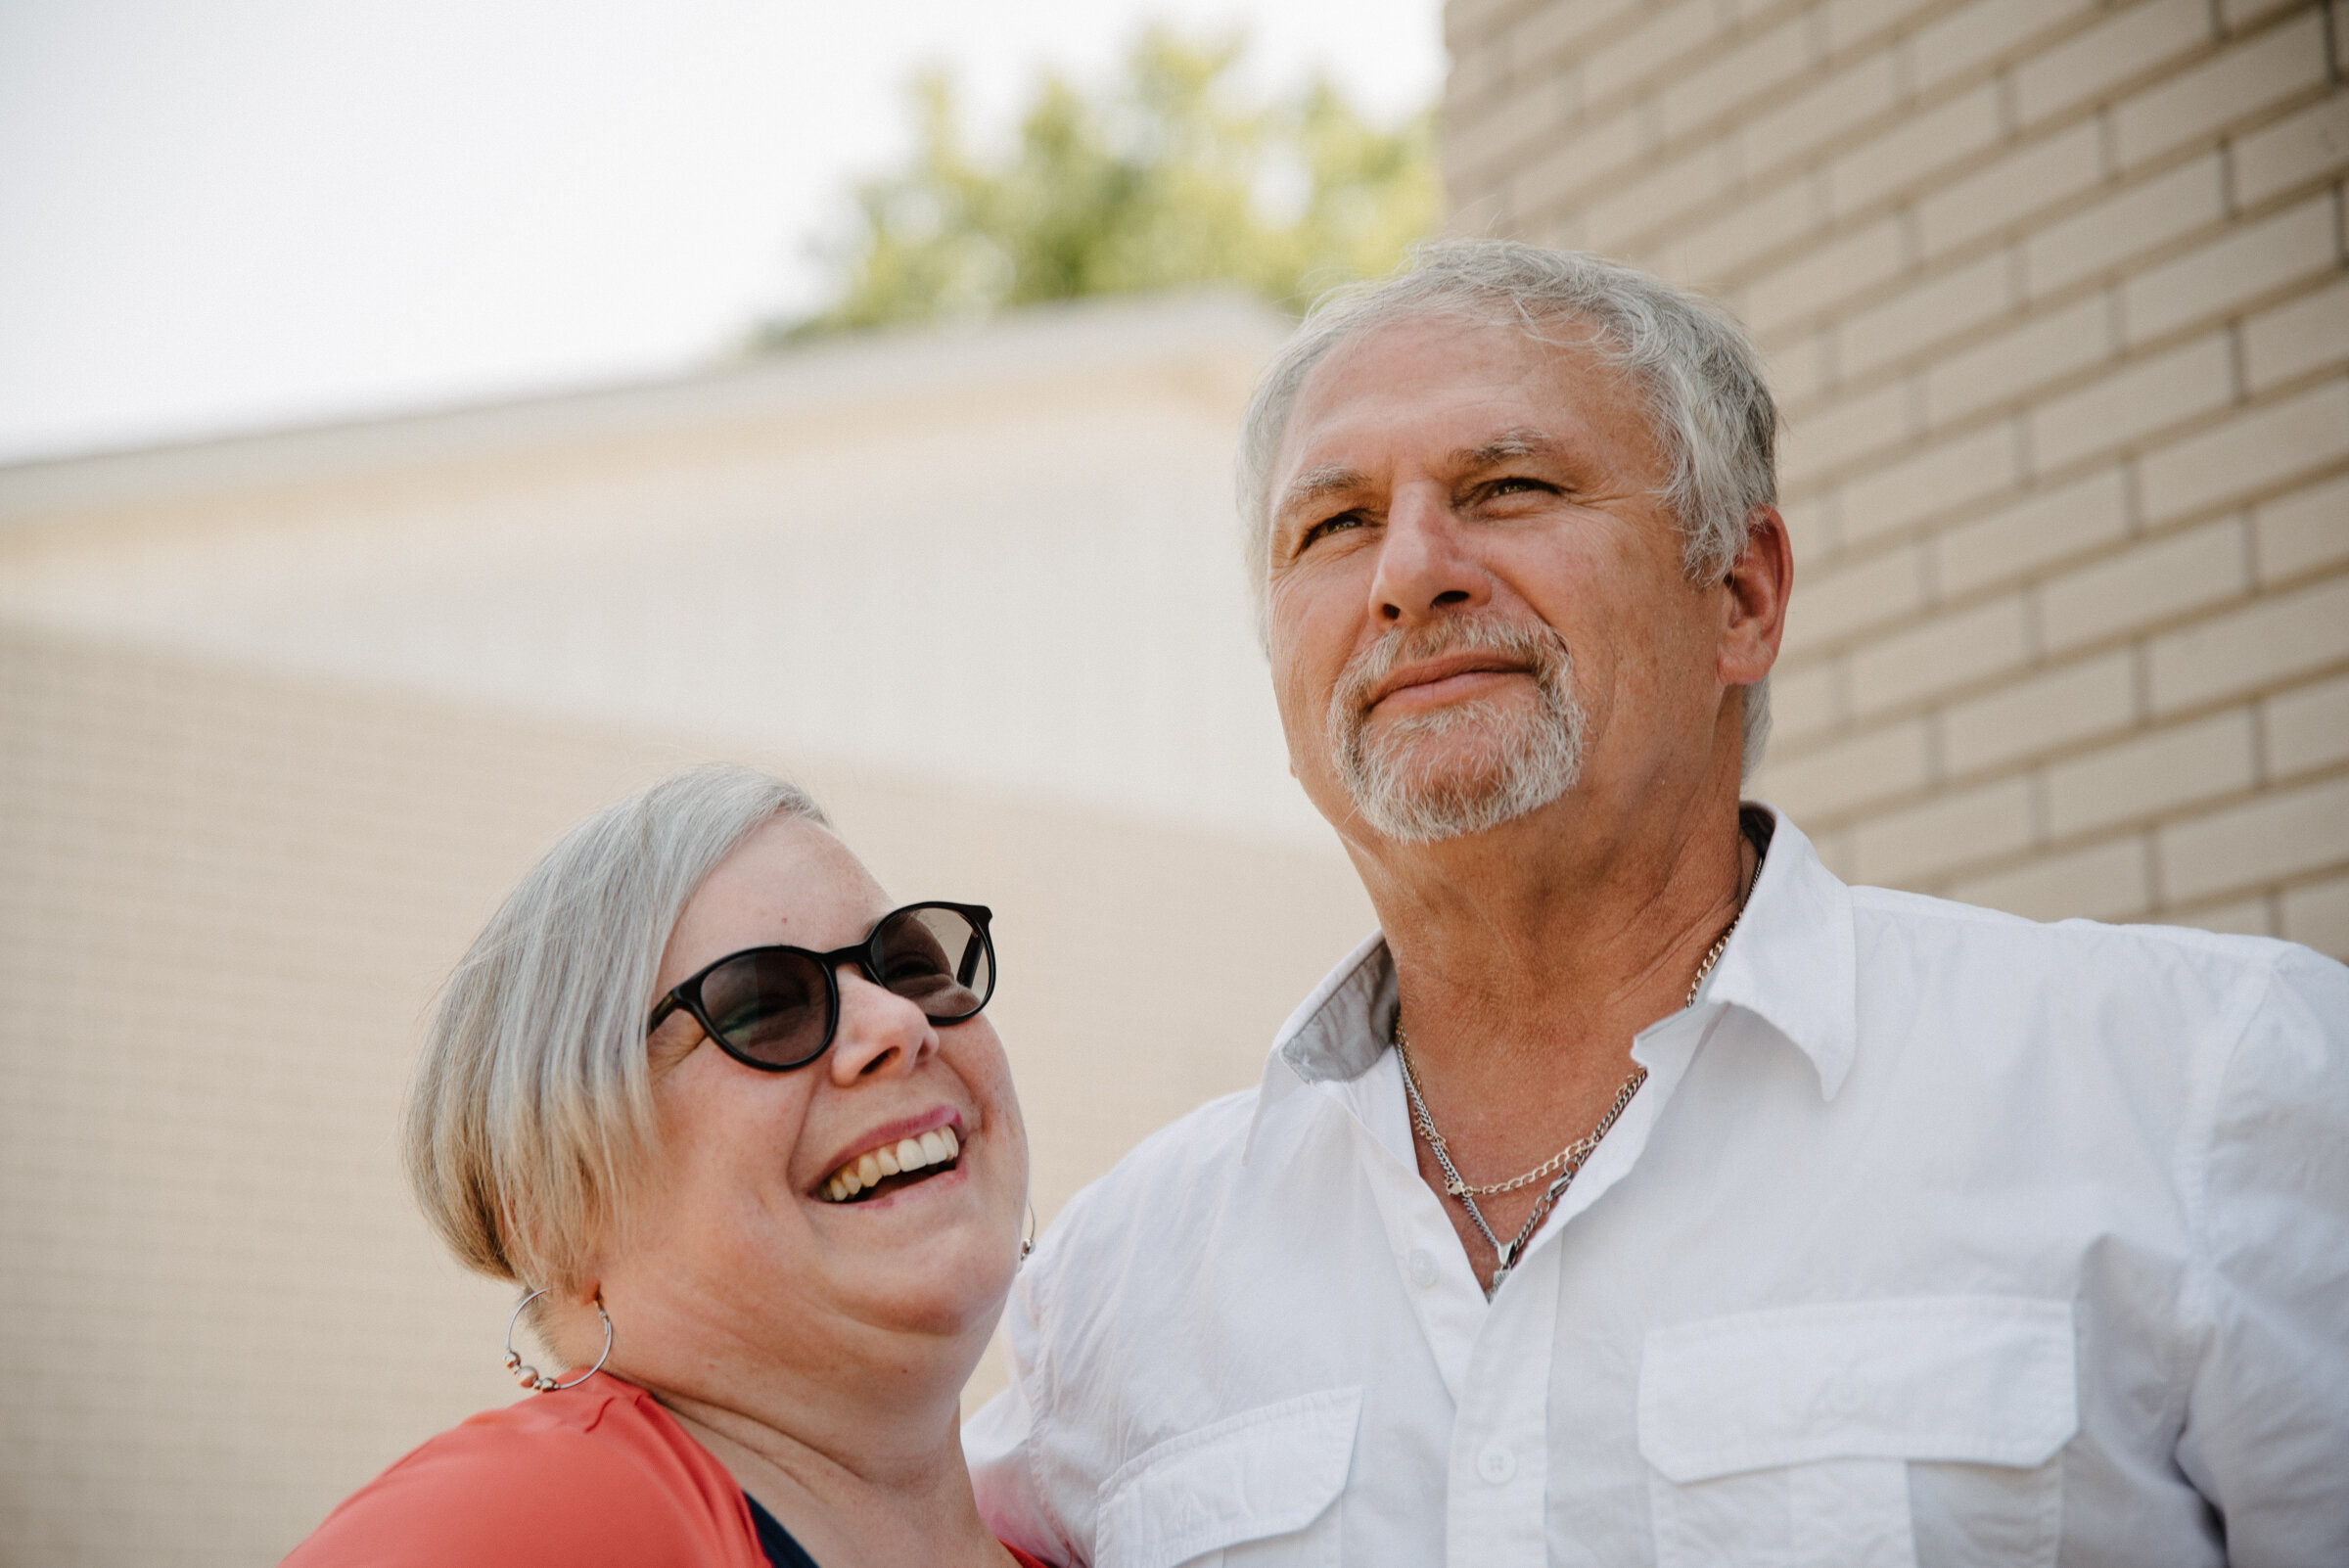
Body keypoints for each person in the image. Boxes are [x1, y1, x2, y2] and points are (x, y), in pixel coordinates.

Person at [964, 240, 2349, 1566]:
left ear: (1741, 594)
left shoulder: (2205, 1086)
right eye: (1334, 524)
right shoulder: (1115, 1285)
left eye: (1508, 487)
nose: (1409, 574)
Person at [288, 765, 1050, 1568]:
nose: (898, 1019)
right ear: (552, 1215)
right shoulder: (519, 1525)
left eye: (910, 964)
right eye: (763, 1005)